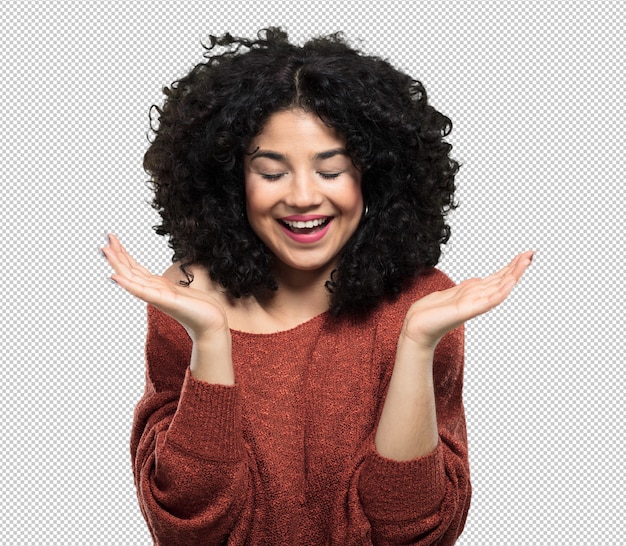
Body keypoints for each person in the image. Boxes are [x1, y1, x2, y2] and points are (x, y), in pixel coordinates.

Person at [102, 28, 533, 545]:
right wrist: (210, 341)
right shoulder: (189, 298)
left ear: (373, 177)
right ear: (230, 182)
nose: (304, 196)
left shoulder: (423, 305)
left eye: (330, 170)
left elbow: (413, 531)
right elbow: (189, 525)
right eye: (271, 171)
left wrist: (417, 344)